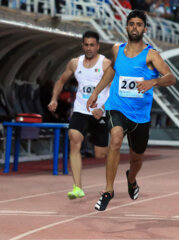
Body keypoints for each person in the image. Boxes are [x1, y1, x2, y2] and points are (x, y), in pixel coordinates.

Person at [86, 9, 176, 211]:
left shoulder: (151, 54)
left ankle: (132, 179)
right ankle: (108, 190)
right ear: (126, 27)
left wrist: (153, 81)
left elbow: (171, 78)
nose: (135, 27)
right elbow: (112, 70)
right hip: (116, 106)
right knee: (115, 139)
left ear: (144, 28)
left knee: (136, 157)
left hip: (140, 115)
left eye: (139, 24)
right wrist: (96, 93)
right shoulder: (117, 49)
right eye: (132, 24)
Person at [48, 31, 112, 199]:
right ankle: (78, 187)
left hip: (99, 113)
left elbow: (116, 91)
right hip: (81, 110)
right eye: (86, 45)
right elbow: (61, 80)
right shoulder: (75, 63)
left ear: (97, 46)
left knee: (101, 154)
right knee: (74, 139)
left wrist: (103, 108)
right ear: (82, 45)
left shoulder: (106, 64)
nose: (89, 48)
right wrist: (54, 99)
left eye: (92, 45)